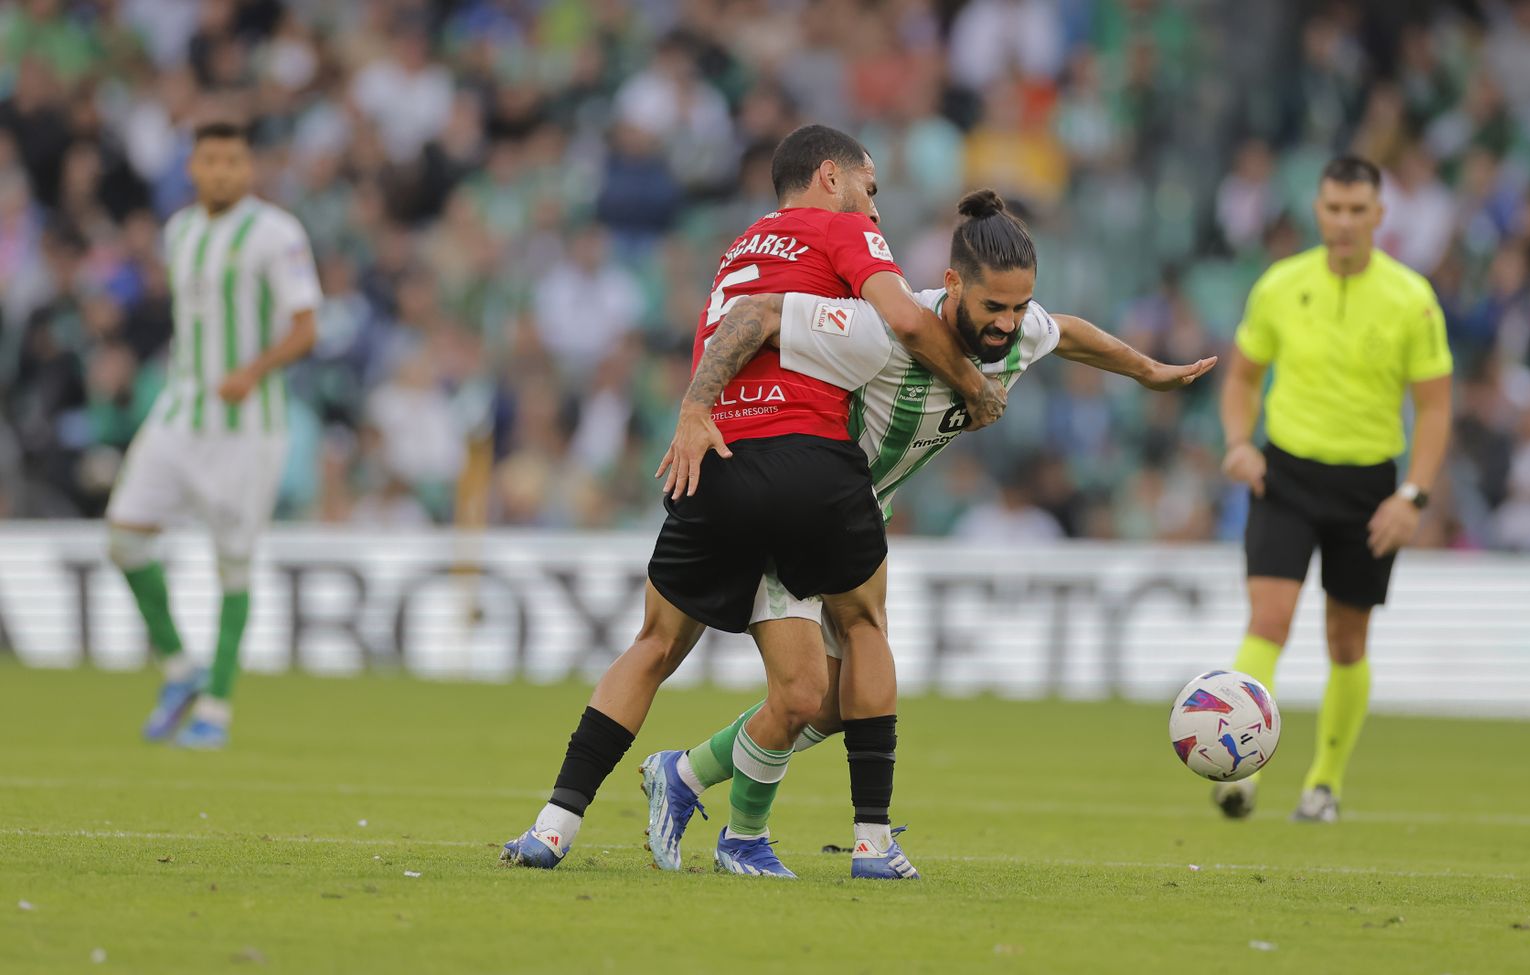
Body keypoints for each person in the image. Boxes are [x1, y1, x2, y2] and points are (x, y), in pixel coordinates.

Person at [641, 189, 1214, 877]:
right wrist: (700, 408)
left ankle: (685, 775)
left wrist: (1148, 371)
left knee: (832, 707)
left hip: (857, 519)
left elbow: (1071, 333)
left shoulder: (1022, 329)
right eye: (993, 307)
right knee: (805, 695)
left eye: (1018, 306)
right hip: (799, 513)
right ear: (951, 285)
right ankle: (779, 837)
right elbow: (760, 316)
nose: (1008, 324)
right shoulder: (883, 328)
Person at [500, 125, 1006, 877]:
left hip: (719, 461)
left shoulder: (739, 249)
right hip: (808, 462)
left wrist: (694, 405)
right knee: (864, 625)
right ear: (831, 177)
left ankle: (553, 826)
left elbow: (740, 328)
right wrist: (973, 387)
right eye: (870, 186)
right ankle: (872, 843)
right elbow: (905, 318)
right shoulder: (842, 230)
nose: (875, 206)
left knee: (678, 653)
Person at [1213, 156, 1453, 823]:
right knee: (1269, 619)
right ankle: (1239, 769)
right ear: (1317, 211)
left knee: (1347, 640)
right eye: (1333, 208)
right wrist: (1238, 443)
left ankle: (1323, 782)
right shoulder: (1280, 286)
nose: (1344, 222)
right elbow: (1240, 379)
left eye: (1357, 210)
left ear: (1379, 214)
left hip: (1369, 490)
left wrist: (1412, 496)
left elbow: (1435, 410)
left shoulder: (1412, 299)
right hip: (1285, 473)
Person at [109, 121, 322, 749]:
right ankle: (180, 670)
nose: (223, 171)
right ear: (192, 167)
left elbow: (308, 326)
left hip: (247, 430)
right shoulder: (179, 232)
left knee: (232, 564)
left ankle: (215, 711)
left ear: (248, 167)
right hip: (179, 416)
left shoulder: (276, 233)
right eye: (211, 160)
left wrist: (253, 371)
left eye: (233, 160)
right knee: (123, 539)